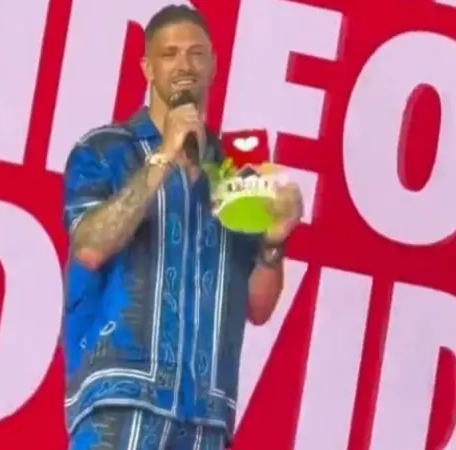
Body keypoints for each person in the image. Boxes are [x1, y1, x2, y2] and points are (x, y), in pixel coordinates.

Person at [62, 4, 303, 449]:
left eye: (195, 53)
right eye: (169, 54)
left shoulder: (235, 176)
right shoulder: (105, 150)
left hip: (207, 419)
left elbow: (258, 307)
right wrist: (163, 156)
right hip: (120, 404)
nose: (184, 65)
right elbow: (90, 247)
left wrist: (274, 243)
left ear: (213, 64)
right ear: (147, 68)